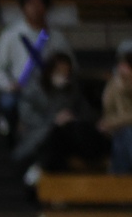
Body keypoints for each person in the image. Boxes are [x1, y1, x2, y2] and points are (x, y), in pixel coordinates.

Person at [13, 51, 108, 181]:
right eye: (59, 71)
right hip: (40, 136)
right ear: (50, 71)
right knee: (51, 140)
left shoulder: (71, 89)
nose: (63, 75)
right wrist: (54, 120)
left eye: (66, 72)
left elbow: (85, 111)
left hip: (67, 135)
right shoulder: (34, 89)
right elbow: (28, 115)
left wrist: (71, 117)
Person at [0, 0, 52, 130]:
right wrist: (8, 85)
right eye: (31, 4)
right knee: (9, 104)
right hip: (20, 89)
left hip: (48, 90)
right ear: (23, 8)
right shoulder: (11, 34)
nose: (35, 8)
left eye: (39, 4)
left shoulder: (55, 36)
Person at [103, 44, 132, 174]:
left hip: (123, 129)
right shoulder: (115, 84)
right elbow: (107, 111)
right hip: (115, 131)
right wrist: (119, 87)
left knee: (127, 132)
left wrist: (114, 123)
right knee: (122, 134)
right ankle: (118, 179)